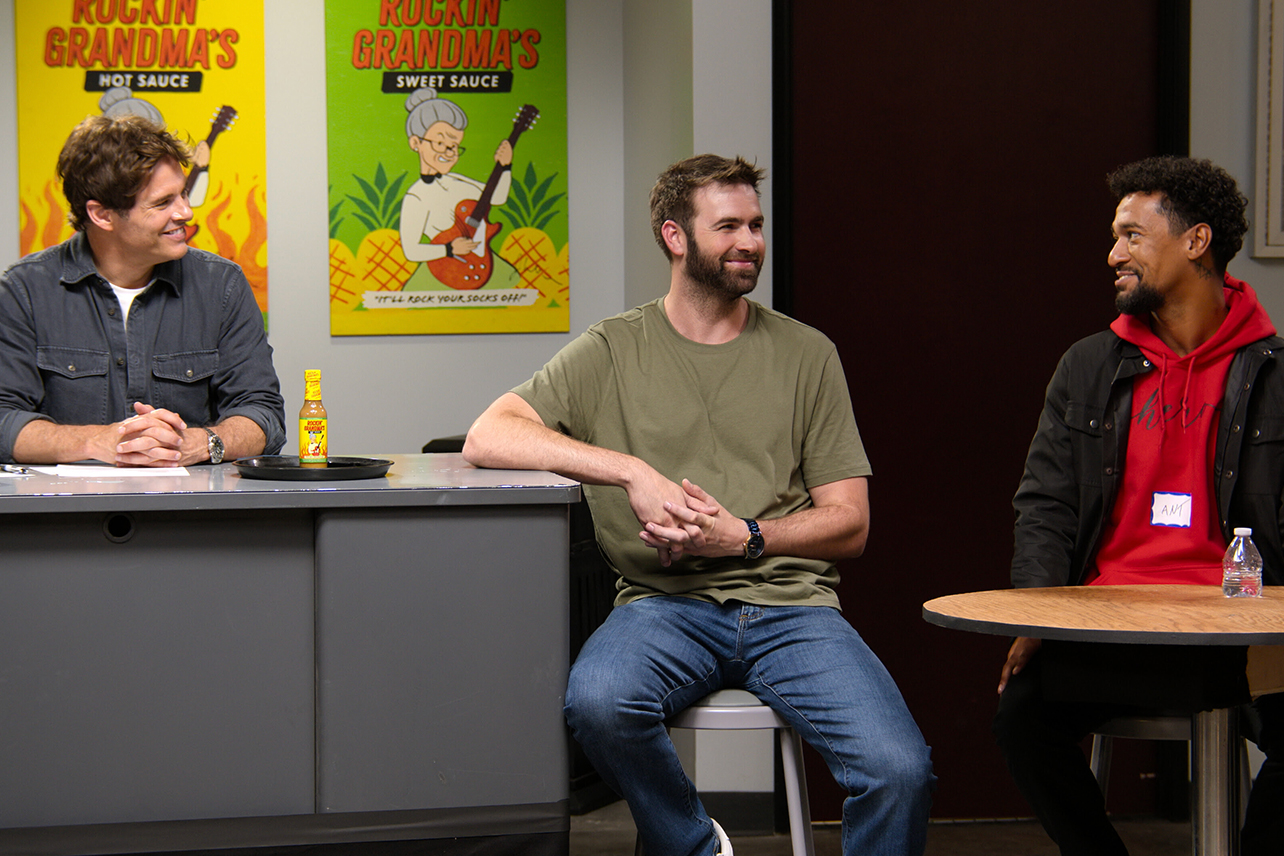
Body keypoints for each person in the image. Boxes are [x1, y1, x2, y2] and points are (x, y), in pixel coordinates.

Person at [464, 153, 935, 856]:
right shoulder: (613, 349)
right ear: (675, 237)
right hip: (662, 606)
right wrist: (630, 472)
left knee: (900, 770)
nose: (750, 242)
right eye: (728, 227)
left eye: (755, 225)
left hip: (792, 610)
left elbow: (851, 523)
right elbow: (488, 433)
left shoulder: (808, 354)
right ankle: (694, 846)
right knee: (599, 705)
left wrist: (743, 536)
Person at [993, 155, 1284, 856]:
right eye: (1115, 237)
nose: (1113, 254)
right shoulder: (1089, 366)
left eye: (1132, 235)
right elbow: (1046, 502)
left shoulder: (1275, 372)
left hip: (1241, 634)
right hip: (1112, 628)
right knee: (1021, 717)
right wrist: (1036, 612)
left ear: (1196, 241)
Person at [0, 114, 284, 466]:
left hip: (191, 500)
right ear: (102, 215)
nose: (186, 212)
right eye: (163, 203)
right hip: (68, 501)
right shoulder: (24, 290)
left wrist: (197, 444)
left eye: (183, 194)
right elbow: (3, 419)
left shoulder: (223, 284)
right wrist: (96, 442)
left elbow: (263, 415)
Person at [398, 87, 522, 291]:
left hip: (482, 260)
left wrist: (506, 166)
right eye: (440, 143)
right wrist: (448, 249)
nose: (449, 152)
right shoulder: (416, 196)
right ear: (415, 143)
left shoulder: (457, 182)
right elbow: (411, 251)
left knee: (512, 282)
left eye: (454, 146)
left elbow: (497, 197)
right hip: (443, 268)